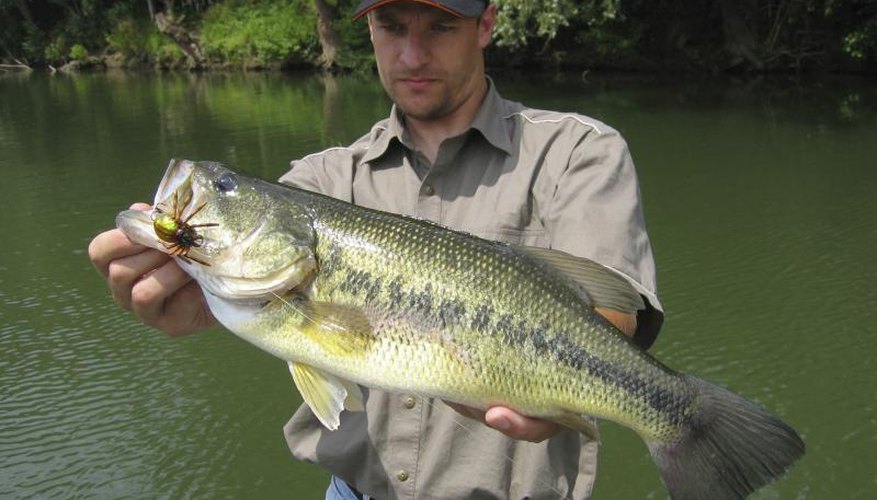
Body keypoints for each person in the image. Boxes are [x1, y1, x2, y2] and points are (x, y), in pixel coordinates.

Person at [89, 1, 663, 498]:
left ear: (485, 24)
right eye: (392, 28)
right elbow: (274, 298)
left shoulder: (577, 152)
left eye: (439, 29)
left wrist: (546, 385)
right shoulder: (319, 182)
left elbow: (615, 316)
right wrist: (202, 302)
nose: (412, 56)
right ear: (368, 32)